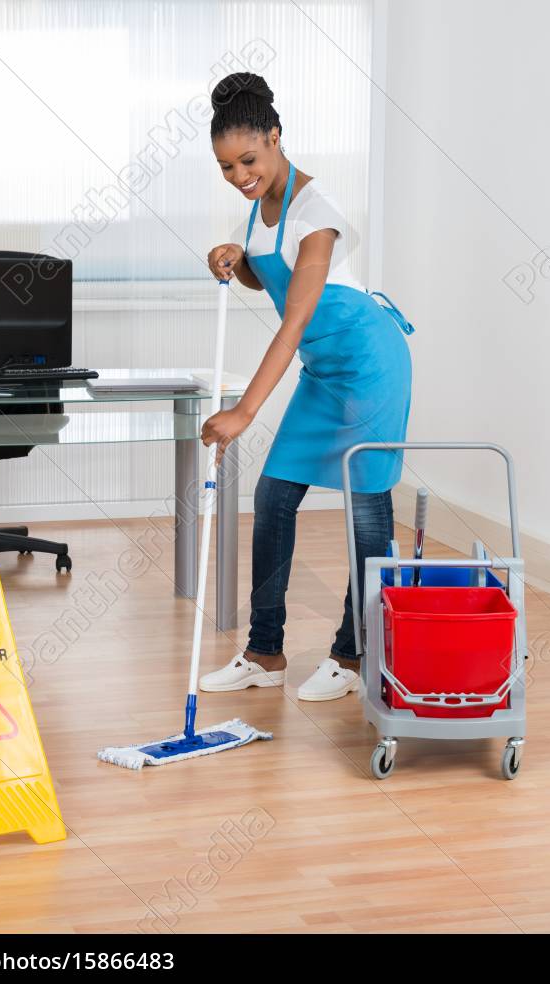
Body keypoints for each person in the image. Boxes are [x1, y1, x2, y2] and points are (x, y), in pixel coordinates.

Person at [198, 73, 414, 702]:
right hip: (325, 368)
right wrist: (235, 260)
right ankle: (265, 651)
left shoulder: (318, 214)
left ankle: (352, 656)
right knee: (273, 496)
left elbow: (293, 323)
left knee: (366, 509)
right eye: (226, 166)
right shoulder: (260, 204)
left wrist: (244, 410)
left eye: (248, 159)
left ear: (275, 137)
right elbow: (270, 283)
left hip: (369, 366)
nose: (239, 174)